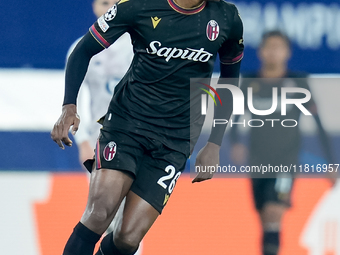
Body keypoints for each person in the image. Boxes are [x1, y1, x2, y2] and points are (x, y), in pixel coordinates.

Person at [51, 0, 244, 254]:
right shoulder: (139, 5)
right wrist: (69, 107)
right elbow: (82, 50)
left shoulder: (227, 17)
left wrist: (214, 143)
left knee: (128, 238)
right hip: (127, 123)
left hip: (176, 139)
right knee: (99, 212)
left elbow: (229, 83)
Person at [230, 30, 335, 255]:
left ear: (287, 53)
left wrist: (331, 162)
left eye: (279, 47)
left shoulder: (298, 83)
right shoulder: (249, 82)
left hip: (286, 162)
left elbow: (318, 124)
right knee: (265, 219)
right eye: (269, 47)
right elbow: (234, 118)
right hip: (257, 161)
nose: (273, 52)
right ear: (261, 52)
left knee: (273, 213)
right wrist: (235, 141)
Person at [69, 0, 133, 165]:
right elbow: (75, 99)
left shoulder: (141, 45)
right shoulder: (82, 49)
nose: (111, 7)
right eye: (105, 3)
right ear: (94, 7)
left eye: (116, 2)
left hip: (139, 133)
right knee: (101, 190)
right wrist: (83, 142)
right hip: (100, 135)